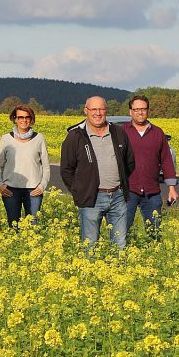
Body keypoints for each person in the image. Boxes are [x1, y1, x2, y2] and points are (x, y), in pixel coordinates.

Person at [60, 96, 136, 250]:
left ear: (106, 111)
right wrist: (79, 191)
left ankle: (117, 272)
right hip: (91, 198)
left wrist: (121, 184)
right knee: (90, 243)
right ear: (86, 111)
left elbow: (129, 162)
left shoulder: (118, 132)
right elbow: (67, 170)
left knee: (120, 243)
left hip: (117, 196)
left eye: (101, 109)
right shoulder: (75, 136)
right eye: (93, 109)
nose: (98, 113)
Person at [123, 95, 178, 241]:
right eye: (136, 109)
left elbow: (166, 160)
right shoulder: (122, 132)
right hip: (128, 191)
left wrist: (171, 187)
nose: (140, 112)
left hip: (152, 192)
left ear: (148, 111)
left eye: (143, 109)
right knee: (122, 231)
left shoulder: (157, 133)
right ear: (130, 112)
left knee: (154, 233)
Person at [0, 104, 51, 227]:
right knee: (13, 225)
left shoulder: (39, 138)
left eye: (27, 117)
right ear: (15, 119)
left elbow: (46, 166)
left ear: (31, 119)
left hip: (33, 190)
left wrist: (42, 186)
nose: (24, 120)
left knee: (33, 226)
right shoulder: (6, 139)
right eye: (20, 117)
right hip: (11, 189)